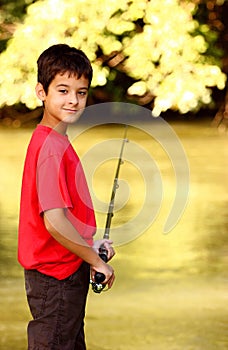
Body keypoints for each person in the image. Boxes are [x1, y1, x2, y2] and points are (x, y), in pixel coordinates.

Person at [18, 43, 115, 350]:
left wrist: (89, 247)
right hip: (55, 279)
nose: (73, 100)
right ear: (41, 92)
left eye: (81, 92)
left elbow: (65, 218)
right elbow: (54, 221)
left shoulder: (54, 141)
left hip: (63, 273)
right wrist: (98, 263)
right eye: (63, 90)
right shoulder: (51, 149)